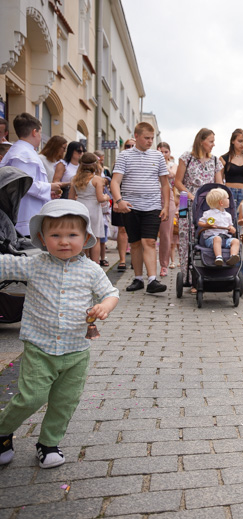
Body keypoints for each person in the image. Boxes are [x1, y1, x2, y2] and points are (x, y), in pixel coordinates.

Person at [0, 200, 119, 469]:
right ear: (42, 238)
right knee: (32, 396)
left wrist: (104, 306)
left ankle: (49, 443)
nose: (64, 241)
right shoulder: (34, 264)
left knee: (65, 401)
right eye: (55, 235)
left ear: (86, 238)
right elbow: (5, 264)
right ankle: (3, 431)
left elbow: (111, 293)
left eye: (72, 235)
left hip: (76, 350)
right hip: (39, 347)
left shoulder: (90, 269)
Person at [111, 123, 170, 294]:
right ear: (136, 136)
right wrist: (119, 200)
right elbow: (115, 181)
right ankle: (138, 279)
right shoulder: (125, 156)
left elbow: (165, 184)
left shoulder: (158, 156)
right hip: (130, 206)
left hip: (152, 205)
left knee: (149, 241)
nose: (150, 141)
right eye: (146, 138)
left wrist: (165, 205)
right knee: (135, 243)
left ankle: (152, 280)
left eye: (152, 138)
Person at [175, 128, 224, 293]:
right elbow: (178, 181)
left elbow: (219, 184)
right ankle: (189, 278)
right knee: (187, 238)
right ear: (201, 141)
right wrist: (190, 195)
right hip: (187, 203)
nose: (213, 144)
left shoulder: (215, 161)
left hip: (208, 205)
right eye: (210, 141)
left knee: (206, 236)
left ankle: (207, 274)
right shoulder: (186, 158)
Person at [0, 114, 62, 234]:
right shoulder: (23, 154)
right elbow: (25, 184)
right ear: (34, 132)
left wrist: (48, 192)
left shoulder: (21, 151)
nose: (40, 136)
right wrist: (50, 186)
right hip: (25, 215)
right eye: (40, 132)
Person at [69, 152, 109, 263]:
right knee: (95, 238)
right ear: (95, 165)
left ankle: (81, 262)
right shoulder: (97, 180)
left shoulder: (75, 179)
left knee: (82, 237)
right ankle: (95, 264)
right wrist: (106, 197)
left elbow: (71, 198)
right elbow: (100, 198)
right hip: (94, 210)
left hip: (80, 209)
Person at [197, 188, 240, 267]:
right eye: (227, 198)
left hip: (225, 238)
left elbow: (230, 225)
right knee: (217, 238)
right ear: (221, 202)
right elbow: (200, 222)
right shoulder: (208, 213)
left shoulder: (228, 215)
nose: (229, 200)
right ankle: (219, 257)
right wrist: (206, 225)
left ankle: (233, 256)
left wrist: (232, 228)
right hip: (211, 239)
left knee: (236, 241)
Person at [111, 138, 137, 271]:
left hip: (136, 201)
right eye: (128, 145)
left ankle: (135, 259)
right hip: (121, 199)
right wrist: (116, 200)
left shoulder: (141, 161)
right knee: (122, 229)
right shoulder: (119, 162)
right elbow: (114, 183)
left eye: (133, 145)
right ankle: (122, 260)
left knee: (135, 231)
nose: (130, 147)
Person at [156, 142, 178, 276]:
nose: (163, 154)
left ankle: (164, 264)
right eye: (161, 152)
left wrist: (162, 161)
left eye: (166, 152)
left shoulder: (172, 164)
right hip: (152, 194)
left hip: (167, 195)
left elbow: (171, 175)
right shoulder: (152, 162)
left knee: (166, 233)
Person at [221, 128, 243, 206]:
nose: (242, 144)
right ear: (233, 141)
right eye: (240, 141)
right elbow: (220, 180)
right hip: (228, 191)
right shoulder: (224, 158)